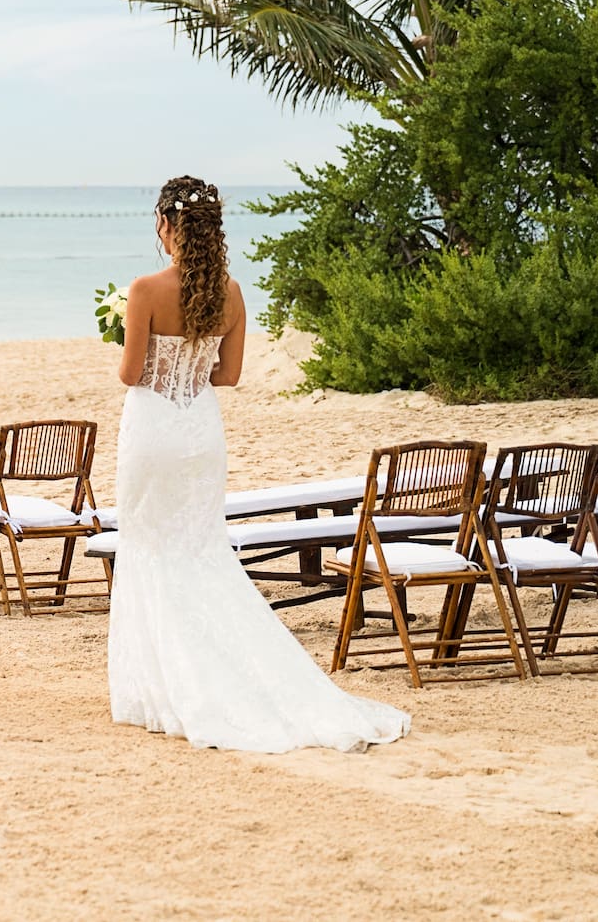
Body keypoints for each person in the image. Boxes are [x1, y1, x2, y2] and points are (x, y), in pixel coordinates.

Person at [106, 175, 408, 753]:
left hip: (152, 430)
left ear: (167, 227)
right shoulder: (233, 293)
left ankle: (161, 691)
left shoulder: (144, 289)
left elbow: (129, 373)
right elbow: (229, 375)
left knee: (148, 545)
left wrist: (131, 342)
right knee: (199, 547)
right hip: (200, 429)